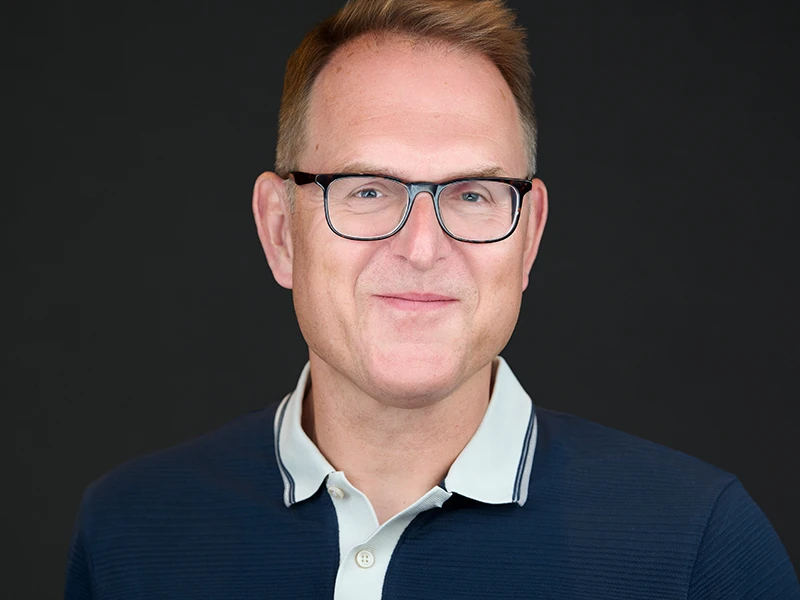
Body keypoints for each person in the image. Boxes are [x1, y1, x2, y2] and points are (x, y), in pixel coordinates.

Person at [65, 0, 799, 598]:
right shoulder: (129, 531)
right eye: (367, 190)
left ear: (529, 236)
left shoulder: (698, 549)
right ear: (279, 230)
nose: (421, 247)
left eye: (473, 194)